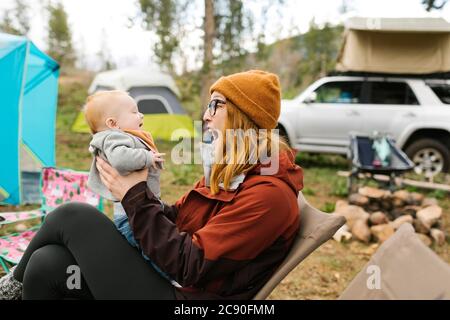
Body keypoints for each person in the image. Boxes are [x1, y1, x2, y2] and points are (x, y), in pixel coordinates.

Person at [0, 70, 304, 300]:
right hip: (164, 278)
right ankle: (14, 285)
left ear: (243, 115)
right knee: (46, 263)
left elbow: (190, 265)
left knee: (74, 216)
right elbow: (176, 217)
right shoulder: (231, 174)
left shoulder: (269, 196)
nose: (205, 115)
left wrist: (133, 194)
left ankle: (8, 287)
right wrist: (137, 193)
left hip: (182, 295)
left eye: (216, 105)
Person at [82, 90, 178, 286]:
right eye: (134, 112)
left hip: (141, 208)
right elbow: (120, 159)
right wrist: (147, 157)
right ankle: (168, 280)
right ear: (112, 124)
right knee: (150, 250)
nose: (141, 115)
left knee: (153, 244)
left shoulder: (123, 136)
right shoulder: (113, 138)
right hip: (131, 216)